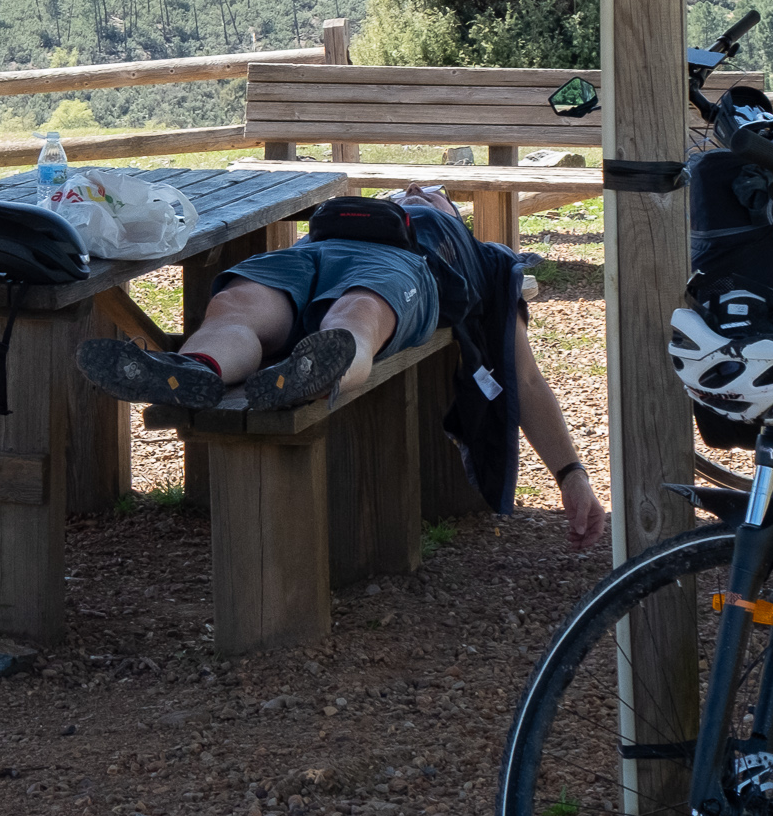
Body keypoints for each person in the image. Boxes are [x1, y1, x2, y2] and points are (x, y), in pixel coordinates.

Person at [77, 185, 608, 550]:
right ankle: (197, 368)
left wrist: (570, 474)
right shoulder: (326, 228)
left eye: (432, 193)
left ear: (453, 215)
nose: (413, 190)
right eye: (402, 192)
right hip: (306, 255)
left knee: (358, 312)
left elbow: (525, 376)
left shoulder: (481, 255)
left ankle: (317, 370)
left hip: (403, 264)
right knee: (235, 308)